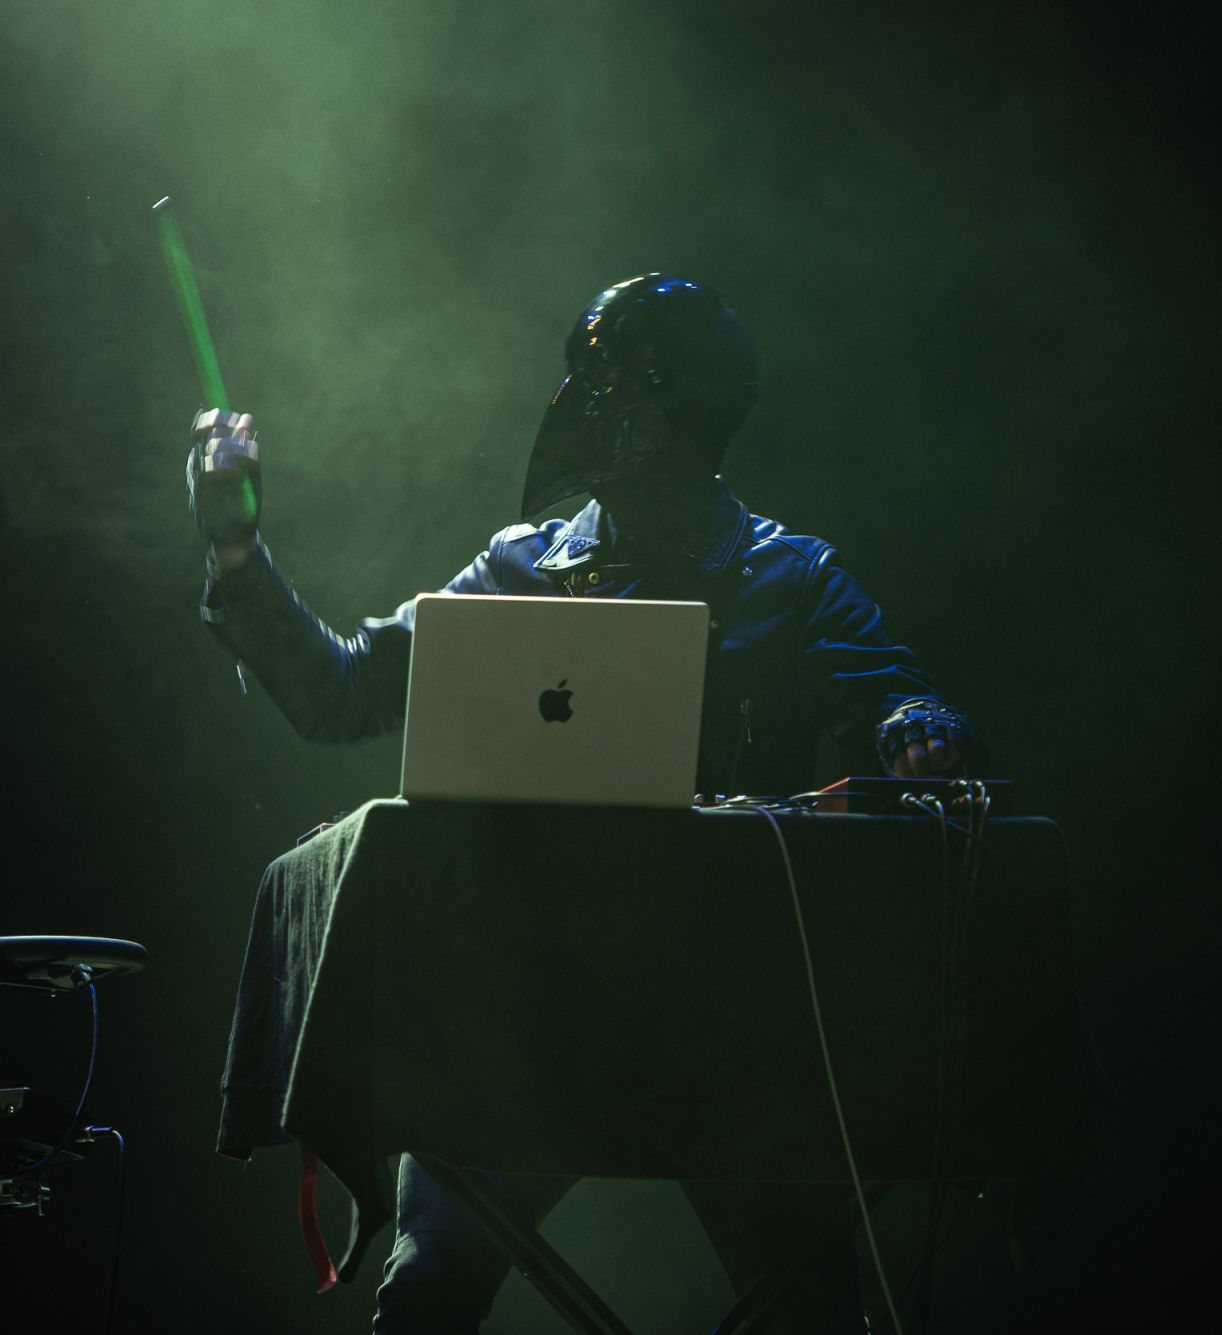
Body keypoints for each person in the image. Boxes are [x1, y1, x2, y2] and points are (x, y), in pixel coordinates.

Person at [186, 273, 980, 1333]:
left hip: (725, 1029)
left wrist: (916, 729)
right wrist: (235, 552)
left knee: (809, 1303)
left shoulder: (791, 575)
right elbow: (342, 693)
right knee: (428, 1282)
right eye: (597, 393)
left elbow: (900, 696)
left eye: (632, 393)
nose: (606, 418)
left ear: (694, 407)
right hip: (527, 1027)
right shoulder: (519, 567)